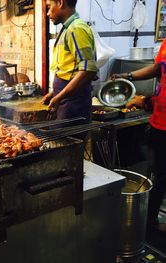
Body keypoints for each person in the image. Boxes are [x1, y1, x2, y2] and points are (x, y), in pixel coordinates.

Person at [111, 39, 166, 231]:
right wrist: (127, 76)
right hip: (158, 123)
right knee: (158, 175)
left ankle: (149, 224)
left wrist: (144, 102)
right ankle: (149, 221)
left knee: (161, 178)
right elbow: (159, 68)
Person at [41, 0, 98, 124]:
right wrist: (54, 93)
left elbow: (88, 70)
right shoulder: (67, 29)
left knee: (68, 140)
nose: (48, 13)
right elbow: (70, 70)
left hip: (74, 104)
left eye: (49, 7)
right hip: (66, 100)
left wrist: (60, 96)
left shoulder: (76, 29)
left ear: (60, 3)